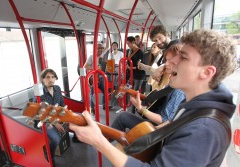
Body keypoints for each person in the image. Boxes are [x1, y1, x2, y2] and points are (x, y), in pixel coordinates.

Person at [69, 29, 237, 167]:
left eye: (183, 57)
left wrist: (99, 142)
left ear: (207, 72)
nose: (171, 62)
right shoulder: (194, 105)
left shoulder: (204, 128)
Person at [111, 44, 185, 131]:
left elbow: (164, 120)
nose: (166, 64)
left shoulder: (179, 90)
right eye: (166, 60)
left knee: (123, 117)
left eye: (171, 61)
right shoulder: (173, 83)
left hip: (157, 130)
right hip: (153, 122)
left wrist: (141, 109)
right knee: (123, 116)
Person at [40, 68, 65, 167]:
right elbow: (42, 115)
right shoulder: (39, 94)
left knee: (77, 119)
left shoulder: (57, 88)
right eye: (47, 77)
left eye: (53, 77)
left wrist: (66, 116)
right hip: (45, 121)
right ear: (42, 79)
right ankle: (50, 155)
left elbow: (62, 104)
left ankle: (77, 138)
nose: (51, 80)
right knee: (56, 139)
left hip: (56, 116)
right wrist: (55, 123)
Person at [84, 43, 112, 115]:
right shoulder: (91, 57)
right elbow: (85, 66)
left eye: (101, 49)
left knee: (105, 91)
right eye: (98, 48)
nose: (100, 50)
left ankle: (104, 106)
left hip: (101, 77)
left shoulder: (101, 56)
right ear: (95, 49)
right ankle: (92, 108)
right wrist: (95, 68)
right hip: (93, 78)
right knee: (92, 94)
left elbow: (107, 46)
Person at [126, 36, 146, 114]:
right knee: (128, 88)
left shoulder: (140, 52)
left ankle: (133, 110)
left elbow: (141, 65)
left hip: (139, 74)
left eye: (128, 43)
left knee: (135, 92)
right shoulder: (130, 51)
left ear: (133, 42)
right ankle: (131, 107)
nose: (128, 45)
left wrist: (131, 67)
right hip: (132, 74)